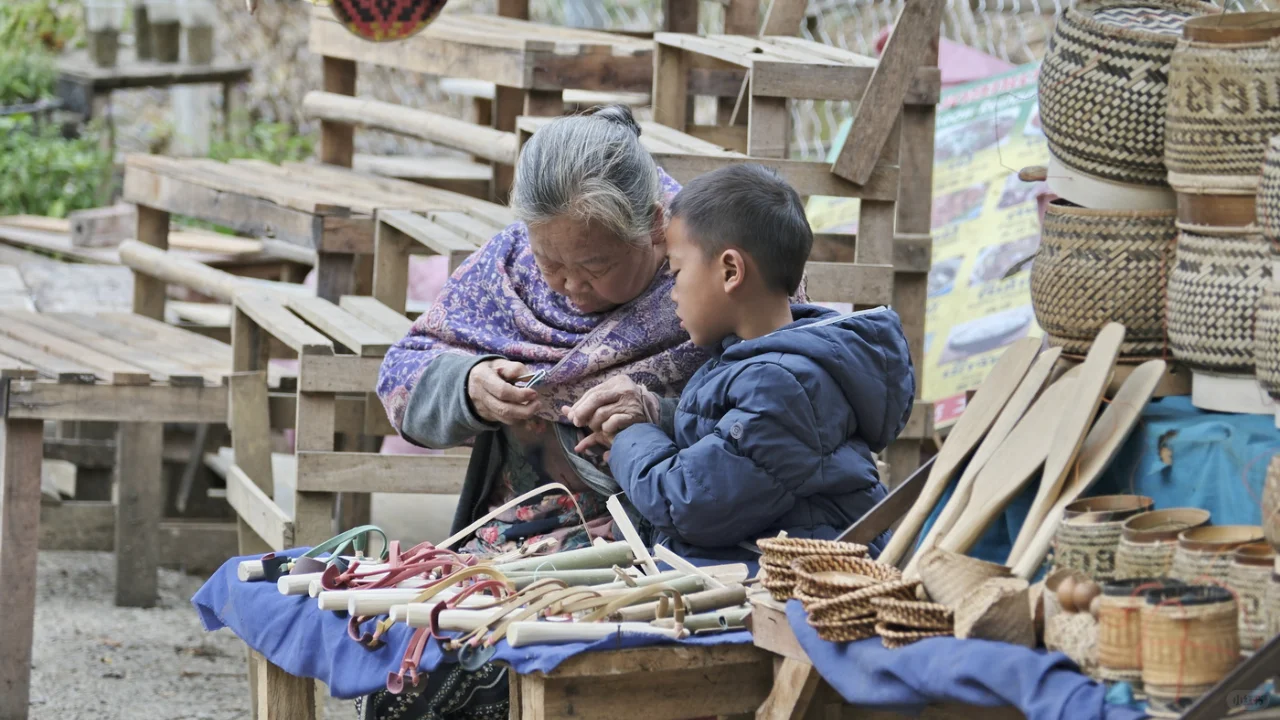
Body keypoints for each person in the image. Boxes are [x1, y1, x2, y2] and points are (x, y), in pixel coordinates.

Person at [371, 106, 809, 720]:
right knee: (415, 664)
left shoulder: (716, 268)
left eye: (596, 266)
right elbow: (402, 371)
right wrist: (467, 386)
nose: (569, 287)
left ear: (655, 228)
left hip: (670, 551)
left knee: (526, 668)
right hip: (515, 541)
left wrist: (656, 413)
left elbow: (784, 410)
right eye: (553, 265)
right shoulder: (510, 268)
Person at [582, 164, 915, 563]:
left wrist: (632, 437)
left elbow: (692, 502)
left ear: (730, 271)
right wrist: (654, 418)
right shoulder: (756, 364)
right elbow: (728, 447)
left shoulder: (787, 385)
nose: (672, 293)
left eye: (677, 272)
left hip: (794, 585)